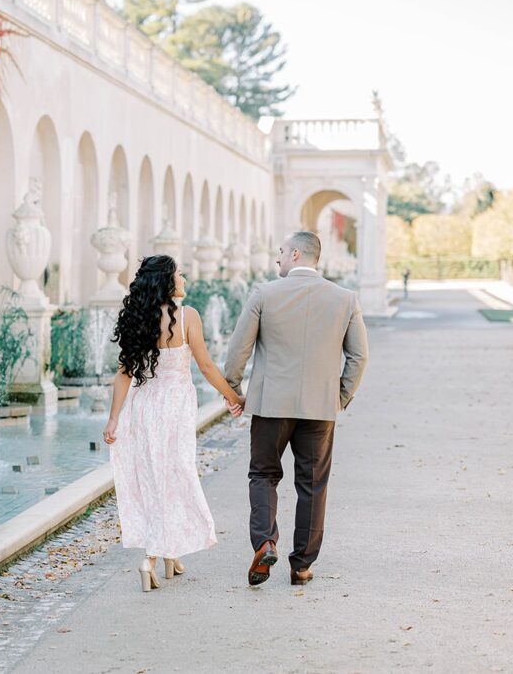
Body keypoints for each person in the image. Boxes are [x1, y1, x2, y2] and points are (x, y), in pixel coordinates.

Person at [224, 231, 368, 587]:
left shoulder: (265, 294)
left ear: (298, 254)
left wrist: (234, 388)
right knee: (313, 484)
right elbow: (359, 356)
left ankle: (265, 541)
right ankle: (302, 564)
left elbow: (238, 349)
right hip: (320, 408)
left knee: (263, 474)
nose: (277, 259)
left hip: (271, 404)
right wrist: (340, 396)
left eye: (282, 252)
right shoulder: (345, 299)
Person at [102, 255, 245, 592]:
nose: (183, 276)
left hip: (145, 406)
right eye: (179, 272)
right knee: (174, 476)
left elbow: (124, 374)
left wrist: (113, 419)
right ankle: (151, 557)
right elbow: (207, 366)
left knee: (155, 477)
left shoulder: (139, 319)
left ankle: (171, 556)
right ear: (167, 280)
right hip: (176, 406)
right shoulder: (187, 317)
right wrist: (234, 397)